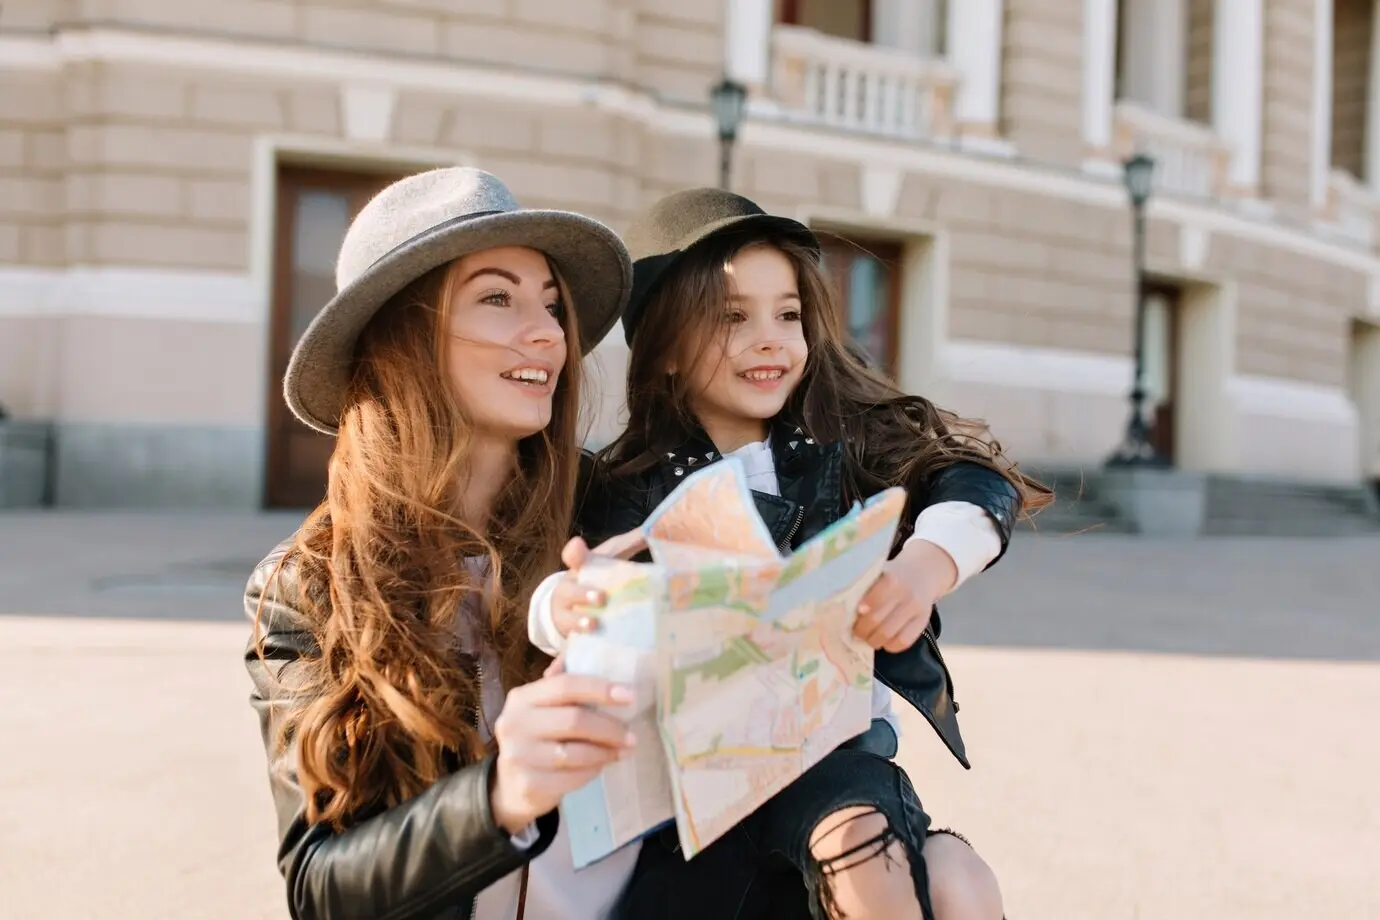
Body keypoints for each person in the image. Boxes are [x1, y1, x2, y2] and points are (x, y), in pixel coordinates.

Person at [528, 189, 1053, 920]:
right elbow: (569, 599)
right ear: (668, 348)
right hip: (698, 792)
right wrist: (565, 607)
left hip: (836, 760)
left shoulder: (849, 444)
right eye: (732, 318)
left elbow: (971, 479)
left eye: (788, 314)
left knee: (876, 849)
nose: (770, 338)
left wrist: (921, 566)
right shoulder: (628, 488)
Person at [243, 166, 693, 920]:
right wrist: (497, 794)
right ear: (401, 339)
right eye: (496, 298)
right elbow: (319, 885)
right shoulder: (306, 586)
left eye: (552, 305)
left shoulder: (619, 512)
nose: (549, 331)